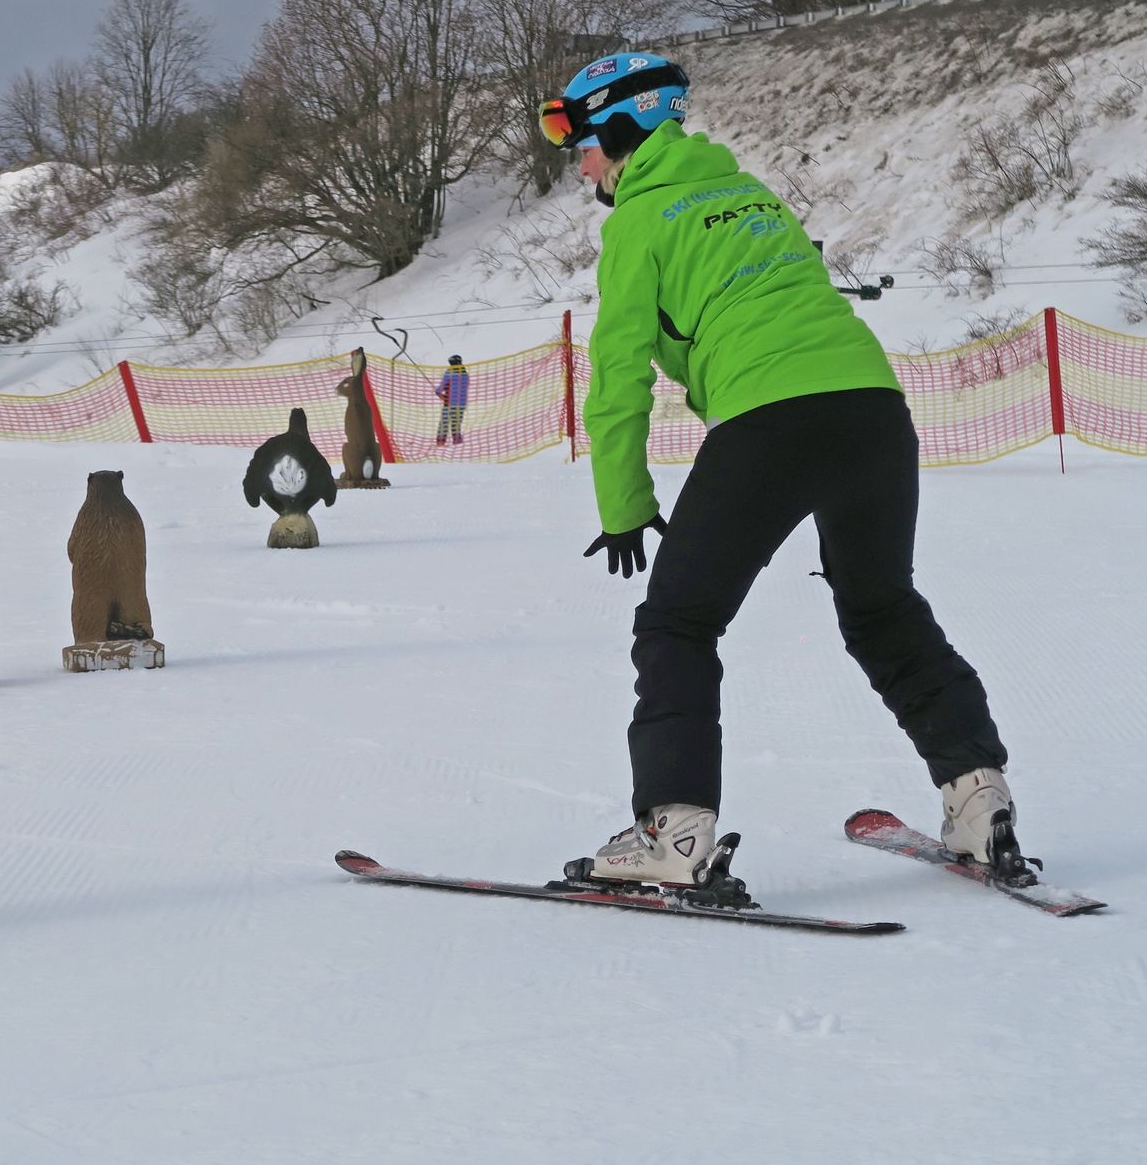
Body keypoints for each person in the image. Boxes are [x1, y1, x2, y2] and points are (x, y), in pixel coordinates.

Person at [538, 52, 1018, 894]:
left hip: (770, 421)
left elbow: (616, 378)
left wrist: (623, 504)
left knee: (678, 623)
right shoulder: (753, 195)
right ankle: (980, 799)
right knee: (882, 609)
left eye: (576, 142)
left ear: (620, 131)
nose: (577, 165)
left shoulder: (639, 222)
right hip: (873, 411)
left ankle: (672, 835)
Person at [432, 356, 468, 444]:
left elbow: (441, 388)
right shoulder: (466, 375)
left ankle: (440, 442)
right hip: (461, 403)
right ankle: (457, 442)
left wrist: (438, 392)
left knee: (444, 423)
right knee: (456, 424)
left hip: (449, 403)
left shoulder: (449, 373)